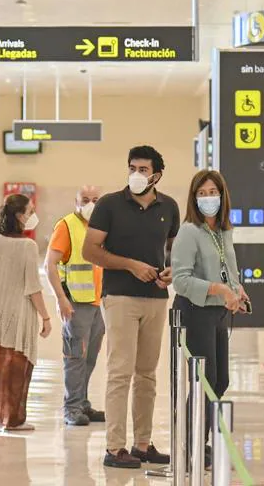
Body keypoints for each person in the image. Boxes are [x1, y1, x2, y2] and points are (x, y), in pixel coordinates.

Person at [83, 145, 180, 470]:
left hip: (155, 298)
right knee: (120, 372)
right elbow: (90, 251)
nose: (137, 174)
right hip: (120, 297)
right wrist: (129, 265)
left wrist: (171, 270)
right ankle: (115, 447)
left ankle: (142, 444)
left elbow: (171, 251)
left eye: (143, 169)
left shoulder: (169, 207)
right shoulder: (110, 205)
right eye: (132, 168)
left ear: (157, 174)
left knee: (147, 375)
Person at [170, 169, 248, 466]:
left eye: (212, 192)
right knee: (205, 380)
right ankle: (192, 445)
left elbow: (230, 269)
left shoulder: (223, 230)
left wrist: (237, 291)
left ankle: (198, 440)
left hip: (218, 312)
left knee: (221, 380)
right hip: (195, 311)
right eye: (201, 193)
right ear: (193, 198)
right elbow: (181, 280)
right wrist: (217, 289)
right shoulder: (190, 231)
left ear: (222, 195)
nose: (207, 198)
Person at [0, 193, 52, 431]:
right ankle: (12, 419)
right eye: (30, 212)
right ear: (19, 216)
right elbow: (33, 288)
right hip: (17, 314)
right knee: (17, 368)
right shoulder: (27, 246)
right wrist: (45, 317)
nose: (33, 216)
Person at [45, 185, 107, 427]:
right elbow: (49, 265)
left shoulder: (103, 226)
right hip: (76, 305)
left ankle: (82, 403)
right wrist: (61, 299)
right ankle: (71, 408)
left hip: (99, 303)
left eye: (95, 199)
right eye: (85, 199)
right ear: (76, 202)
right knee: (75, 358)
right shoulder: (67, 226)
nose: (90, 204)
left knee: (90, 358)